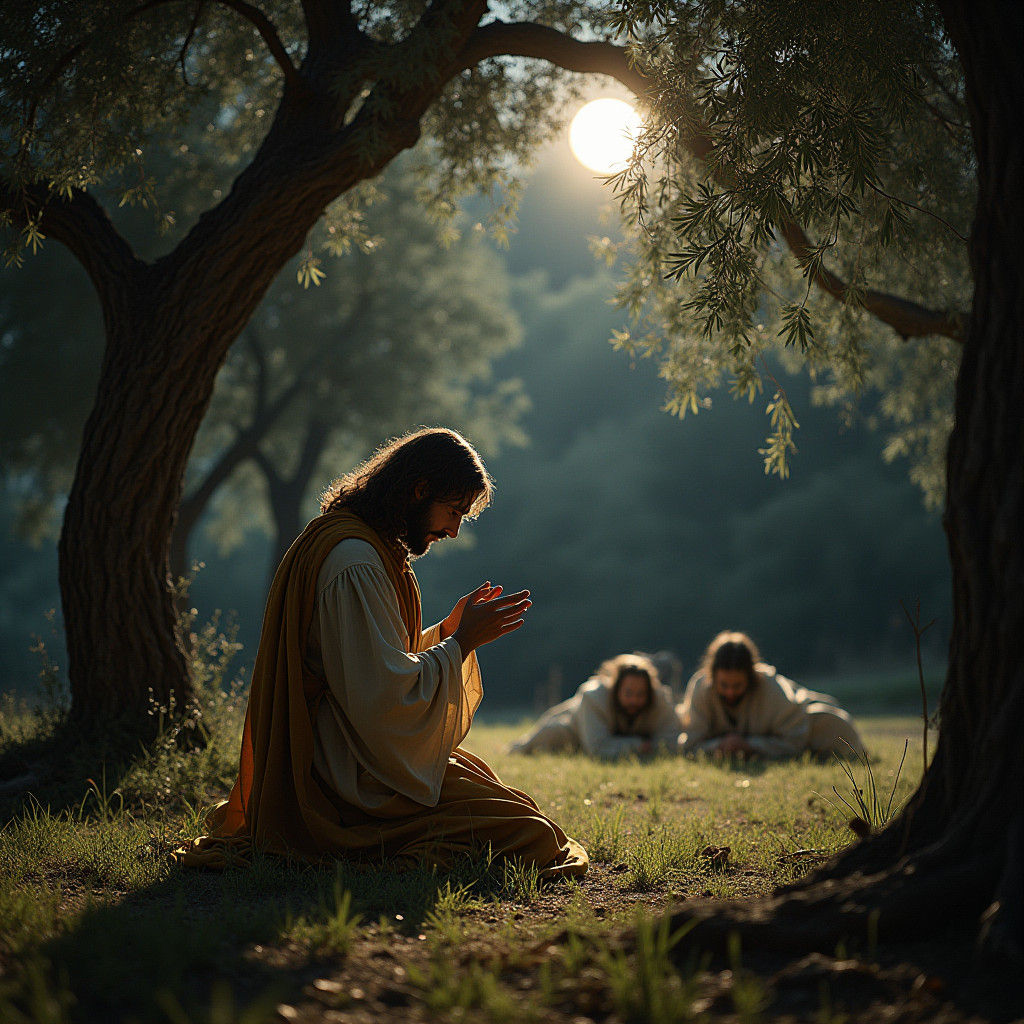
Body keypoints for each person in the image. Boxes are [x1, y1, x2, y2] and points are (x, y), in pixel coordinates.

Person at [175, 427, 587, 878]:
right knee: (531, 835)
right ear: (418, 490)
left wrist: (447, 633)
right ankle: (377, 856)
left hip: (356, 752)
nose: (452, 530)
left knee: (514, 806)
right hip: (344, 775)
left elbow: (375, 666)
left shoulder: (364, 548)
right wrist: (461, 642)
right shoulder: (355, 561)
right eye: (452, 512)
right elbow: (383, 696)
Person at [678, 631, 866, 760]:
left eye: (737, 685)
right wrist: (720, 745)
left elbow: (794, 738)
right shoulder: (701, 687)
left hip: (806, 717)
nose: (730, 692)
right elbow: (690, 744)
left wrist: (749, 745)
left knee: (833, 725)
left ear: (751, 678)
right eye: (724, 685)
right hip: (757, 741)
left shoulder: (771, 687)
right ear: (713, 677)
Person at [509, 653, 684, 759]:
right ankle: (513, 749)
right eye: (629, 693)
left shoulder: (659, 698)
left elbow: (672, 740)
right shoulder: (593, 696)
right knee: (537, 741)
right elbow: (597, 748)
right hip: (572, 728)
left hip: (606, 739)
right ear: (616, 690)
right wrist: (639, 746)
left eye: (640, 695)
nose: (634, 701)